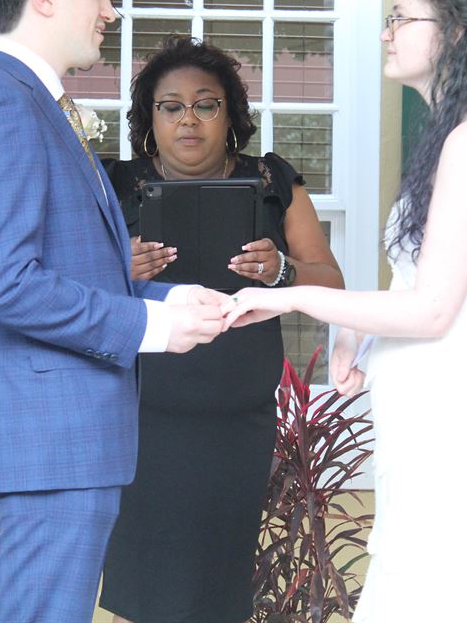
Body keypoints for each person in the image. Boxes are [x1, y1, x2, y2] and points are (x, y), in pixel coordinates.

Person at [223, 0, 467, 621]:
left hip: (452, 423)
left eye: (400, 18)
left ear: (457, 32)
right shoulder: (458, 136)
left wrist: (289, 296)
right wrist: (355, 329)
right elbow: (424, 288)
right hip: (425, 417)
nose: (386, 33)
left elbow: (434, 311)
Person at [0, 0, 232, 623]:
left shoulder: (31, 102)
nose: (109, 10)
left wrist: (171, 299)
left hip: (67, 432)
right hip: (51, 431)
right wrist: (149, 326)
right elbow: (6, 284)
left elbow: (66, 266)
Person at [99, 36, 344, 623]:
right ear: (149, 119)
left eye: (205, 105)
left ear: (230, 115)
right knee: (147, 591)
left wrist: (281, 271)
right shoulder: (113, 184)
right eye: (171, 106)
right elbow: (65, 290)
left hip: (236, 424)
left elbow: (332, 284)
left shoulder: (272, 182)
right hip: (141, 421)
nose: (188, 119)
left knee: (218, 590)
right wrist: (116, 268)